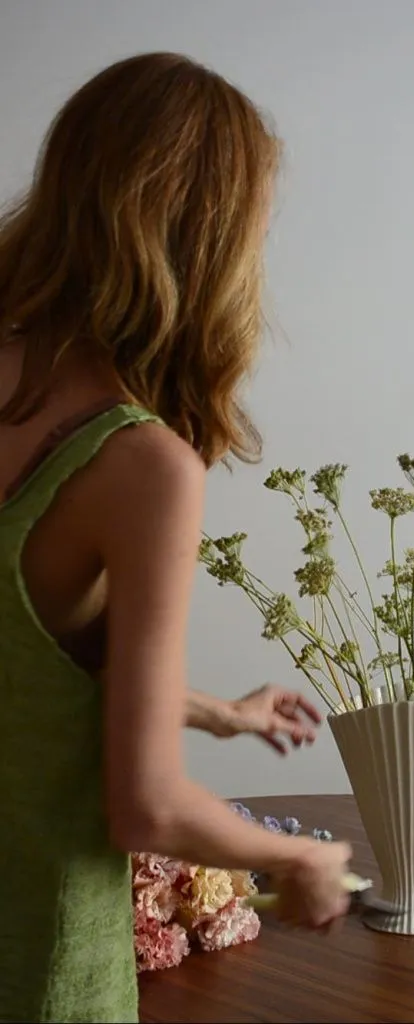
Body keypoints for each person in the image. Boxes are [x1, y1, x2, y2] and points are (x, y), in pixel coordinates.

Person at [0, 52, 351, 1024]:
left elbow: (20, 669)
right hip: (37, 962)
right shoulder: (139, 463)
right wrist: (301, 856)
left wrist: (213, 713)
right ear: (209, 241)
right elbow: (147, 806)